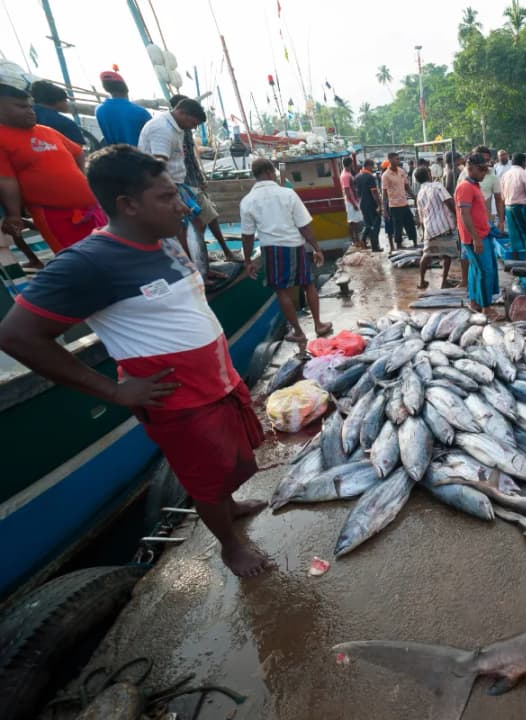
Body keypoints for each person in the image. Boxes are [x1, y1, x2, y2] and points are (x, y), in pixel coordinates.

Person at [0, 145, 270, 576]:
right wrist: (114, 391)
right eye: (166, 197)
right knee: (204, 478)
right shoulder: (89, 262)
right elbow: (16, 335)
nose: (181, 205)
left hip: (218, 382)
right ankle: (230, 548)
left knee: (227, 463)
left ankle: (231, 506)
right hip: (179, 400)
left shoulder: (165, 240)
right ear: (128, 205)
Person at [0, 64, 105, 266]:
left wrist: (82, 179)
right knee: (78, 264)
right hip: (54, 216)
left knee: (109, 256)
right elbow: (6, 181)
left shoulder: (47, 131)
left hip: (91, 210)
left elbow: (78, 153)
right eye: (21, 107)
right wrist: (14, 215)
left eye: (30, 106)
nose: (30, 111)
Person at [240, 158, 331, 345]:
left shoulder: (247, 201)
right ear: (269, 172)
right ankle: (318, 325)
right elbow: (304, 226)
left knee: (281, 291)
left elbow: (247, 235)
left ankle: (298, 332)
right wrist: (317, 248)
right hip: (295, 245)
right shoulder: (288, 194)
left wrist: (248, 260)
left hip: (271, 249)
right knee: (308, 285)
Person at [169, 94, 234, 261]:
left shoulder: (184, 130)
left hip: (192, 181)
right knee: (203, 220)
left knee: (206, 219)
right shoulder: (174, 131)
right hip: (185, 184)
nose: (194, 126)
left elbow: (191, 158)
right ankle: (208, 256)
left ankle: (210, 254)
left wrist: (200, 178)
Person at [137, 98, 207, 243]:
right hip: (164, 186)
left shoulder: (177, 127)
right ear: (182, 113)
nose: (193, 128)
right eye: (193, 123)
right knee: (181, 228)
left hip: (177, 184)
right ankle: (186, 257)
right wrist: (174, 197)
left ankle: (192, 256)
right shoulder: (162, 129)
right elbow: (158, 167)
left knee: (198, 223)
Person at [456, 153, 498, 313]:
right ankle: (486, 307)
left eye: (485, 170)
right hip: (475, 238)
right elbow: (464, 214)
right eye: (481, 170)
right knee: (485, 272)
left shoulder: (475, 185)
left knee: (476, 270)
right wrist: (476, 239)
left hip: (482, 234)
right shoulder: (465, 187)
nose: (484, 173)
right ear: (471, 168)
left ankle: (475, 302)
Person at [415, 165, 459, 289]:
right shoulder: (437, 186)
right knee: (447, 255)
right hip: (444, 227)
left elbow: (421, 215)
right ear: (429, 175)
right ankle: (444, 281)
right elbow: (449, 202)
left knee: (427, 254)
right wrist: (458, 216)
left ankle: (421, 281)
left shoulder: (420, 193)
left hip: (430, 229)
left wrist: (424, 230)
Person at [94, 70, 151, 147]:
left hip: (115, 153)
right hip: (139, 153)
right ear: (126, 89)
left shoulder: (99, 110)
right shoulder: (141, 112)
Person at [500, 152, 526, 260]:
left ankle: (515, 259)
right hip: (522, 208)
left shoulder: (505, 175)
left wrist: (502, 215)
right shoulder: (525, 174)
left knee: (514, 235)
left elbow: (502, 197)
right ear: (523, 162)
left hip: (509, 208)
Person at [30, 80, 85, 145]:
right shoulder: (67, 124)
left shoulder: (24, 116)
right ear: (59, 102)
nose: (67, 103)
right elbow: (77, 149)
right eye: (65, 100)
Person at [382, 152, 417, 250]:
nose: (398, 160)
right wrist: (384, 209)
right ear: (390, 160)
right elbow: (384, 193)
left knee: (410, 224)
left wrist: (415, 197)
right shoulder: (385, 175)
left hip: (404, 203)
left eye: (398, 159)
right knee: (398, 227)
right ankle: (399, 245)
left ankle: (415, 242)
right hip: (394, 205)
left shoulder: (402, 171)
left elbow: (407, 187)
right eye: (396, 159)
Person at [353, 158, 382, 251]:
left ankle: (363, 239)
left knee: (368, 224)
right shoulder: (370, 177)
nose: (373, 168)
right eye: (372, 166)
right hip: (371, 203)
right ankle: (375, 246)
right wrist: (379, 205)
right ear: (368, 166)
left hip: (362, 203)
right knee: (376, 224)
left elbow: (356, 191)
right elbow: (374, 192)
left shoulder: (357, 177)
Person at [340, 156, 362, 246]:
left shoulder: (348, 173)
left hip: (353, 200)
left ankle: (356, 239)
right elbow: (347, 191)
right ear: (350, 164)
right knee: (352, 221)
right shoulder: (345, 175)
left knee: (355, 221)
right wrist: (353, 204)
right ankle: (354, 239)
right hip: (350, 201)